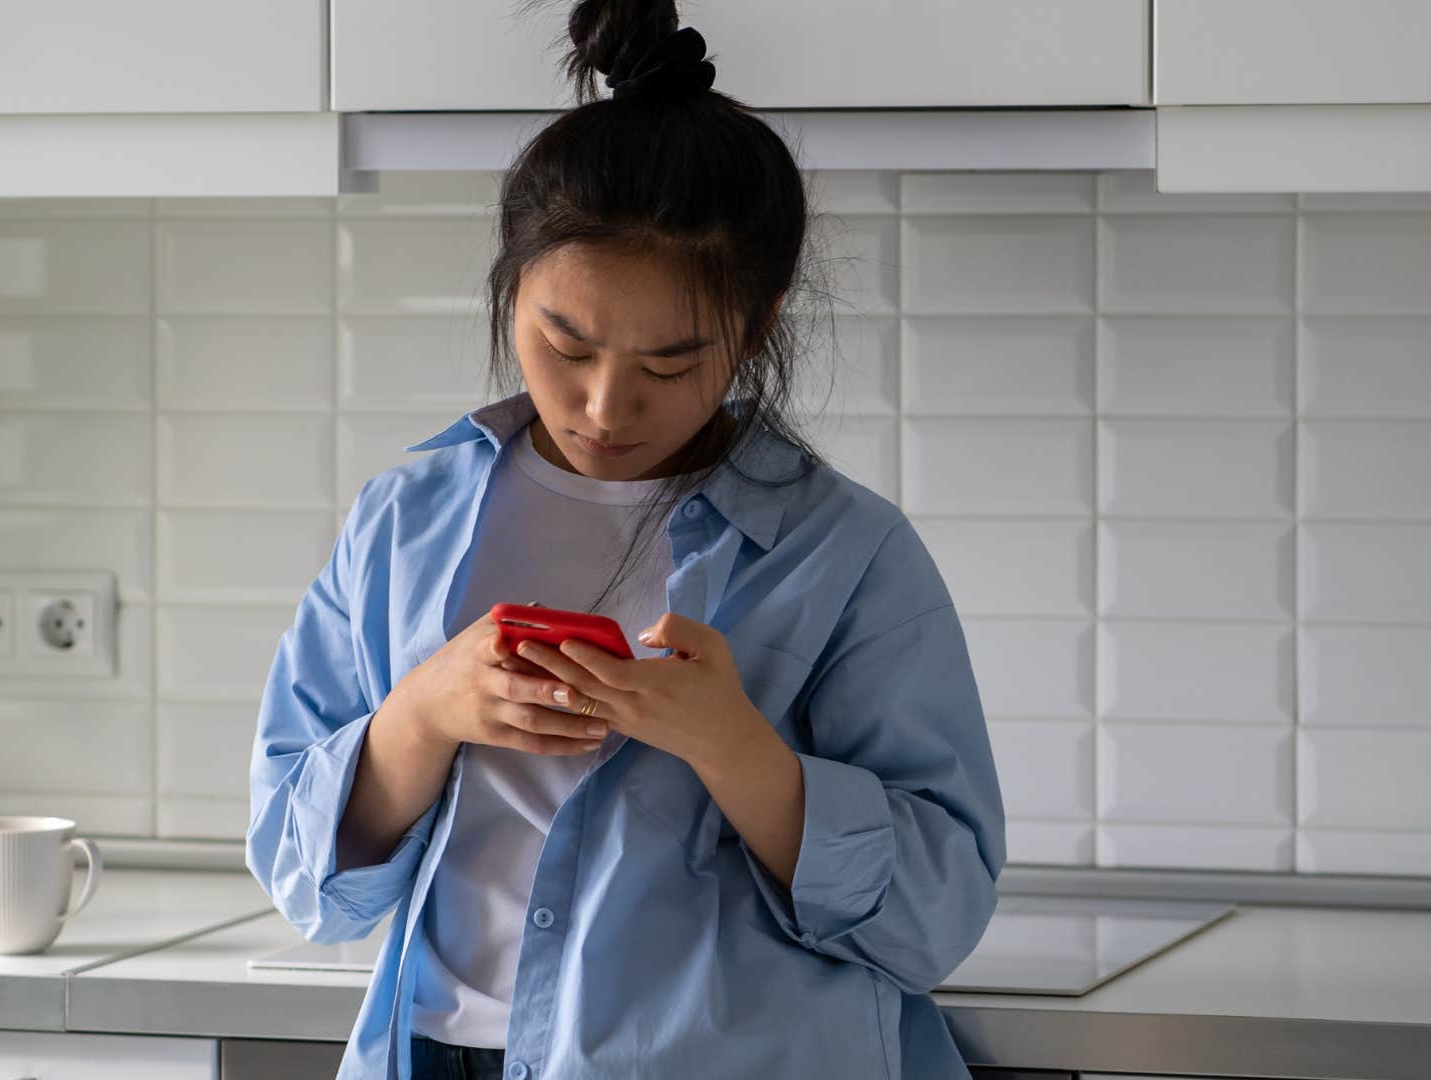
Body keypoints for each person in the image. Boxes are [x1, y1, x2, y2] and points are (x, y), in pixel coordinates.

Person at [245, 2, 1007, 1077]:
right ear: (511, 288)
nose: (606, 405)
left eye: (670, 364)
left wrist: (736, 747)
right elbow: (302, 878)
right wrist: (425, 712)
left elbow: (937, 917)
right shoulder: (404, 520)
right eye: (565, 343)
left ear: (761, 318)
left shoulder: (849, 557)